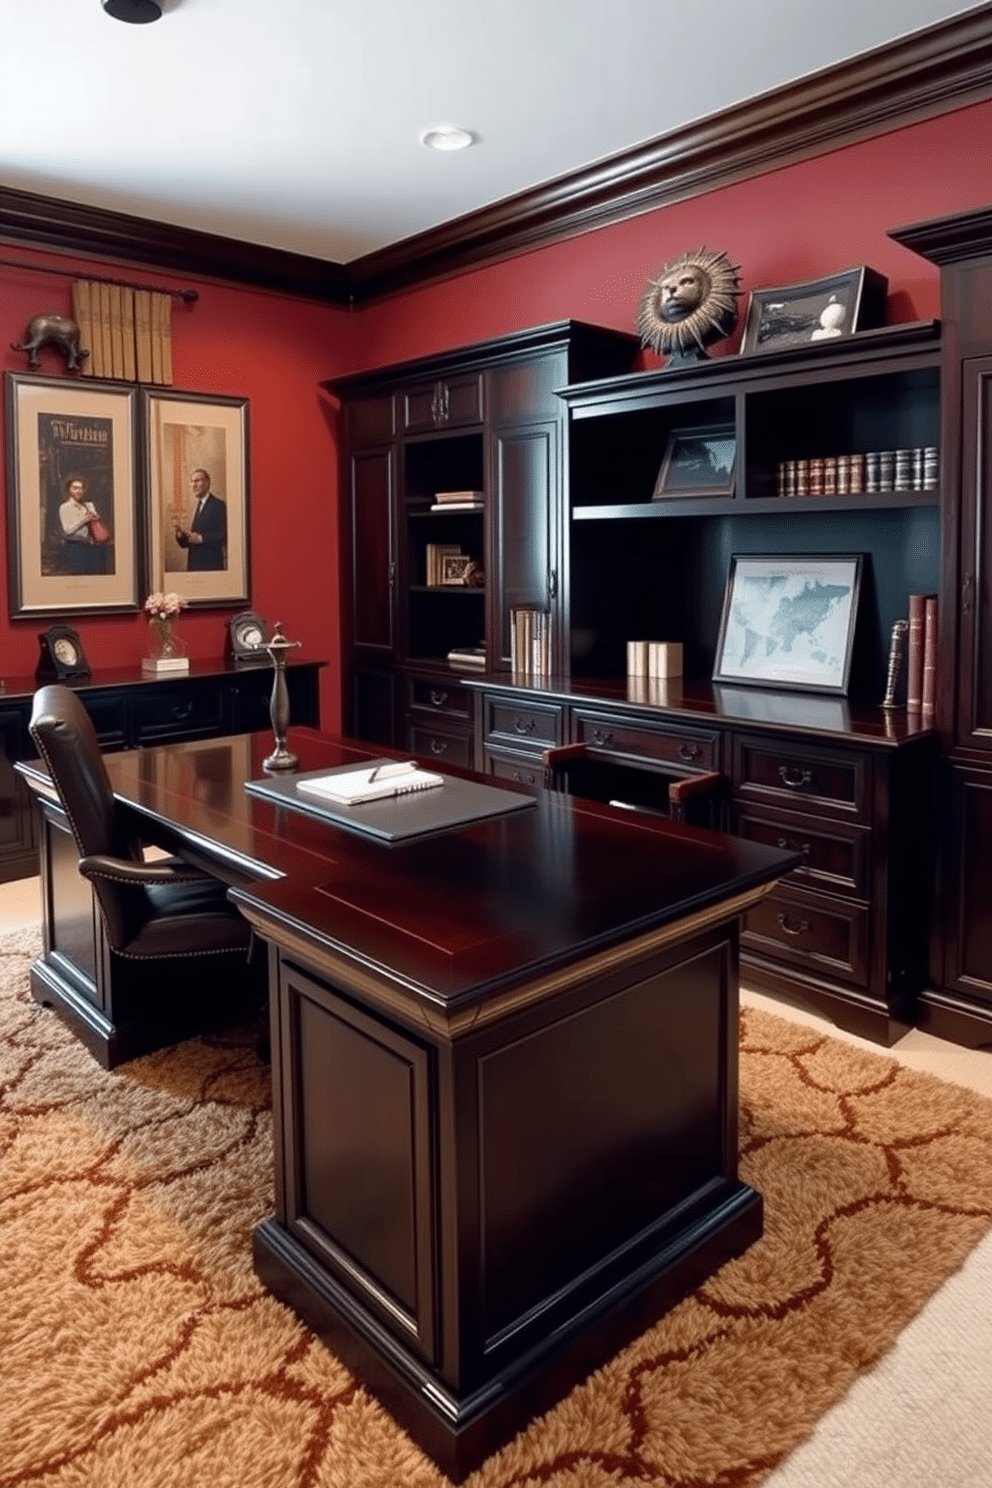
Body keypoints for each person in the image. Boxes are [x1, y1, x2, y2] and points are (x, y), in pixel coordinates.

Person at [174, 468, 227, 571]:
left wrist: (200, 538)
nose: (194, 485)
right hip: (194, 567)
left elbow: (224, 535)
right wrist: (183, 537)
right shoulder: (198, 505)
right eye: (192, 481)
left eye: (197, 481)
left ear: (207, 483)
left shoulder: (218, 505)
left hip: (211, 567)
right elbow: (196, 538)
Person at [58, 475, 109, 575]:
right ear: (68, 490)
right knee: (79, 576)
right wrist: (84, 520)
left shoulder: (87, 505)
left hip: (91, 547)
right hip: (75, 548)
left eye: (81, 488)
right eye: (75, 488)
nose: (79, 491)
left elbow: (95, 524)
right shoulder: (65, 507)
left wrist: (94, 515)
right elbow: (68, 530)